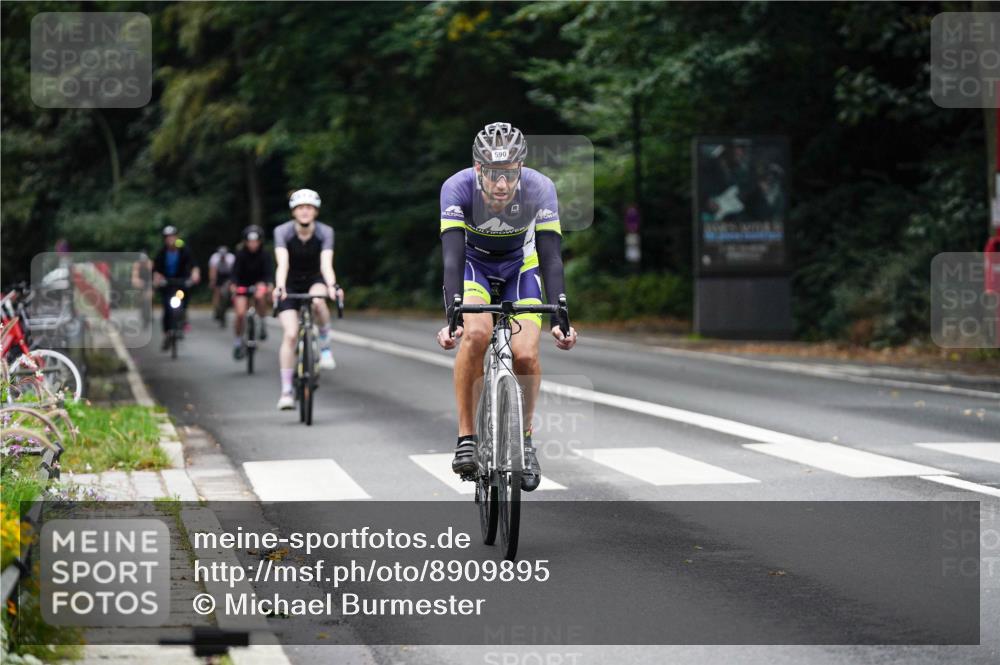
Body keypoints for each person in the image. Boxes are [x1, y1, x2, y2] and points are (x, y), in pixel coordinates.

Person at [435, 122, 578, 491]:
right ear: (479, 170)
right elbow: (451, 259)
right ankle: (467, 437)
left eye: (510, 174)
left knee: (526, 355)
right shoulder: (457, 187)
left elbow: (551, 259)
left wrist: (561, 312)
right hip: (473, 267)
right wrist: (453, 315)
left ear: (520, 170)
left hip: (521, 266)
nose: (502, 184)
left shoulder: (540, 188)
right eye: (494, 174)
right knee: (477, 333)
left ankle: (525, 440)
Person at [272, 189, 344, 410]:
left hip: (315, 278)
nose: (305, 211)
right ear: (294, 211)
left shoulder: (325, 232)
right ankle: (286, 391)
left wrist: (332, 286)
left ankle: (324, 346)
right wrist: (280, 287)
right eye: (300, 207)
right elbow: (282, 263)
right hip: (290, 283)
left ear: (315, 211)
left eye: (309, 207)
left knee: (319, 300)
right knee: (291, 334)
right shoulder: (282, 231)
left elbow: (326, 264)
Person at [152, 225, 200, 350]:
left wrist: (194, 275)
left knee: (183, 301)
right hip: (167, 284)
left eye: (172, 237)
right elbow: (156, 270)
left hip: (182, 283)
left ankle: (182, 319)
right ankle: (167, 334)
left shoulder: (184, 250)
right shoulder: (161, 253)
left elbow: (194, 264)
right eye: (167, 237)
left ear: (176, 237)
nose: (170, 240)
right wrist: (157, 279)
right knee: (167, 309)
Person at [231, 225, 274, 359]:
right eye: (250, 241)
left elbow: (268, 274)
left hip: (258, 284)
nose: (253, 244)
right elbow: (234, 274)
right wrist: (233, 285)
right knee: (240, 314)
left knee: (260, 295)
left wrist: (268, 285)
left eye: (256, 241)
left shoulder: (265, 255)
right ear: (245, 242)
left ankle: (262, 322)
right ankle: (238, 342)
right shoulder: (240, 254)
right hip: (242, 286)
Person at [208, 245, 236, 323]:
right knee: (217, 292)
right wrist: (212, 281)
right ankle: (216, 309)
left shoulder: (231, 258)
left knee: (227, 292)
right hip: (218, 275)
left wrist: (232, 282)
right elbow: (212, 270)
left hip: (228, 276)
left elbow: (234, 271)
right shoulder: (214, 258)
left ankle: (227, 305)